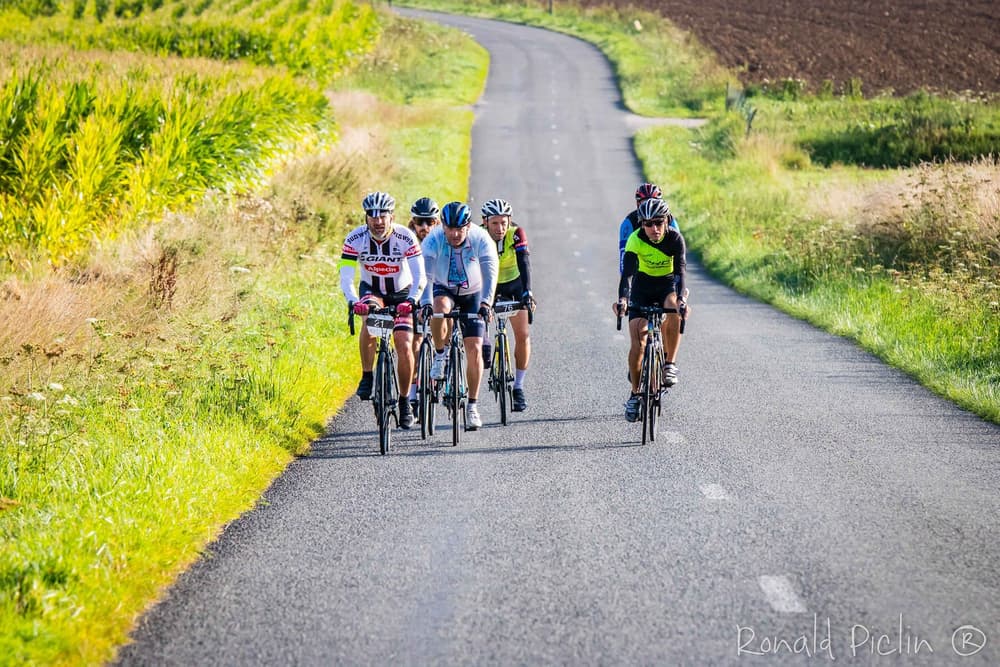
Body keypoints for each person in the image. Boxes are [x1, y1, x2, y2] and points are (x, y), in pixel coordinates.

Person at [339, 191, 426, 429]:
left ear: (392, 217)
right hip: (372, 290)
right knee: (370, 320)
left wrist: (413, 299)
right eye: (372, 216)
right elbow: (346, 275)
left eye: (382, 216)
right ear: (366, 218)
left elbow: (420, 275)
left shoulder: (405, 236)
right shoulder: (355, 238)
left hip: (402, 292)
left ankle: (405, 401)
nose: (377, 221)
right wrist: (352, 299)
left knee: (404, 343)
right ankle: (367, 376)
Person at [420, 201, 499, 430]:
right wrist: (424, 302)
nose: (454, 234)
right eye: (449, 228)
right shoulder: (433, 239)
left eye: (459, 229)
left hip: (473, 291)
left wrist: (486, 303)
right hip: (443, 287)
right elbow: (426, 274)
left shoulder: (480, 238)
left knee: (474, 348)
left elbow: (490, 272)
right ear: (442, 225)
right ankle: (441, 354)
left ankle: (472, 406)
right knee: (438, 308)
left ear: (468, 226)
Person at [613, 197, 687, 423]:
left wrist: (682, 300)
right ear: (642, 224)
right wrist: (623, 300)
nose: (654, 229)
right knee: (639, 341)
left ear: (666, 221)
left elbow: (680, 273)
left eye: (659, 222)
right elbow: (627, 275)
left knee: (674, 307)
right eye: (648, 224)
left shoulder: (675, 238)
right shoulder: (635, 240)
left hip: (666, 285)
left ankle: (669, 364)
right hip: (642, 289)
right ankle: (635, 394)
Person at [480, 197, 534, 412]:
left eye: (504, 222)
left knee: (522, 335)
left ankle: (518, 387)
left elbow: (525, 261)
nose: (500, 228)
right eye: (495, 223)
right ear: (485, 222)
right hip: (487, 285)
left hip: (513, 284)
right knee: (479, 325)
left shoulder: (516, 233)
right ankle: (484, 344)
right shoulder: (478, 235)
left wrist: (528, 292)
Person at [405, 196, 440, 412]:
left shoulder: (443, 239)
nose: (424, 227)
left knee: (442, 333)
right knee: (415, 344)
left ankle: (440, 365)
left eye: (429, 222)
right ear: (413, 222)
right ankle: (412, 395)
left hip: (438, 292)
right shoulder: (408, 239)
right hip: (414, 294)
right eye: (420, 222)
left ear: (437, 222)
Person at [618, 182, 679, 273]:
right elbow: (624, 259)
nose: (649, 205)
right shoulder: (628, 223)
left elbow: (679, 255)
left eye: (654, 202)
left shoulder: (670, 221)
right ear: (638, 204)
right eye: (645, 203)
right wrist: (626, 282)